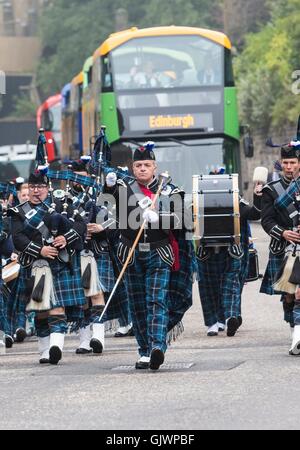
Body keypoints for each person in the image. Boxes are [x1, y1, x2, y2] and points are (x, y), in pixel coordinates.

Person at [102, 142, 193, 371]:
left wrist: (159, 218)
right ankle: (144, 350)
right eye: (138, 165)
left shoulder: (169, 190)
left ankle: (157, 347)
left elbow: (183, 220)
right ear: (133, 168)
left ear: (155, 167)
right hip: (130, 252)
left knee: (156, 300)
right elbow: (105, 204)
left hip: (159, 252)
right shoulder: (122, 189)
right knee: (138, 304)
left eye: (147, 165)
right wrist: (107, 186)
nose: (142, 168)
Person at [9, 171, 87, 365]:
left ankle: (56, 346)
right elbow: (18, 238)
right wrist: (40, 250)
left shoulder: (61, 205)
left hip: (60, 263)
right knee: (41, 309)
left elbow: (81, 225)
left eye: (41, 187)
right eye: (32, 187)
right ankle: (44, 350)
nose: (36, 191)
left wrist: (65, 238)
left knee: (58, 305)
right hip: (36, 263)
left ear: (47, 188)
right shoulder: (19, 211)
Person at [196, 171, 262, 337]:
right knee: (208, 286)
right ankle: (213, 322)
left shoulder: (236, 201)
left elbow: (254, 214)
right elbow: (190, 223)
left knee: (230, 285)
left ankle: (230, 317)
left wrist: (258, 196)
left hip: (231, 250)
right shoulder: (198, 200)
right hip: (206, 250)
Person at [260, 141, 300, 353]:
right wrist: (283, 233)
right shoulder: (271, 190)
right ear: (280, 163)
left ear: (299, 163)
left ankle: (298, 331)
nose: (289, 167)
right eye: (285, 162)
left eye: (293, 162)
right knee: (289, 294)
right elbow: (266, 220)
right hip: (283, 246)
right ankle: (294, 329)